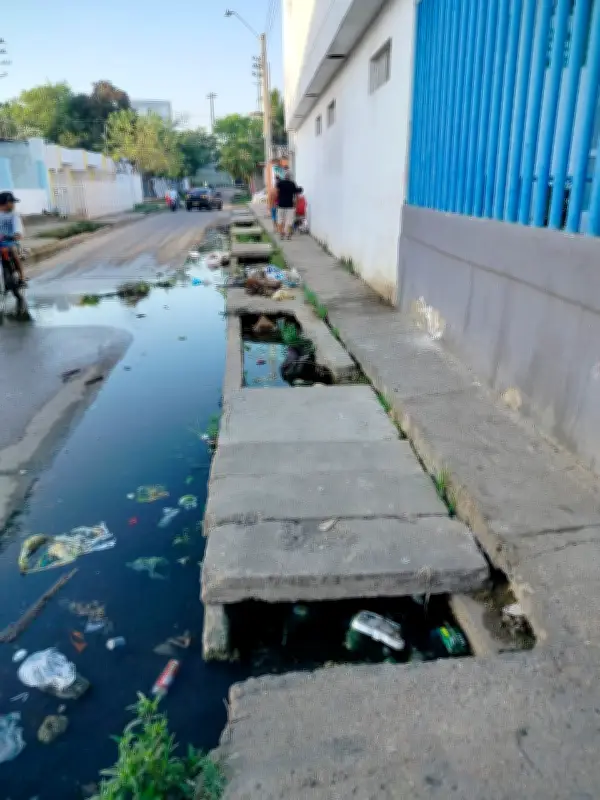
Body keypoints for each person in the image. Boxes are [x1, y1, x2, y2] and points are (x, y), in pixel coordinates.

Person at [0, 191, 27, 316]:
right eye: (12, 202)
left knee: (13, 251)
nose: (14, 204)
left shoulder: (14, 215)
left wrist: (16, 234)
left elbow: (18, 229)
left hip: (10, 243)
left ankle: (22, 277)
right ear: (5, 203)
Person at [276, 171, 300, 239]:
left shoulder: (280, 183)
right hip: (290, 205)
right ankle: (288, 235)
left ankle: (281, 234)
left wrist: (277, 201)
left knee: (280, 219)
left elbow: (276, 192)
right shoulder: (292, 184)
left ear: (284, 177)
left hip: (281, 204)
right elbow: (296, 194)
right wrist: (296, 203)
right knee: (289, 220)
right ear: (290, 177)